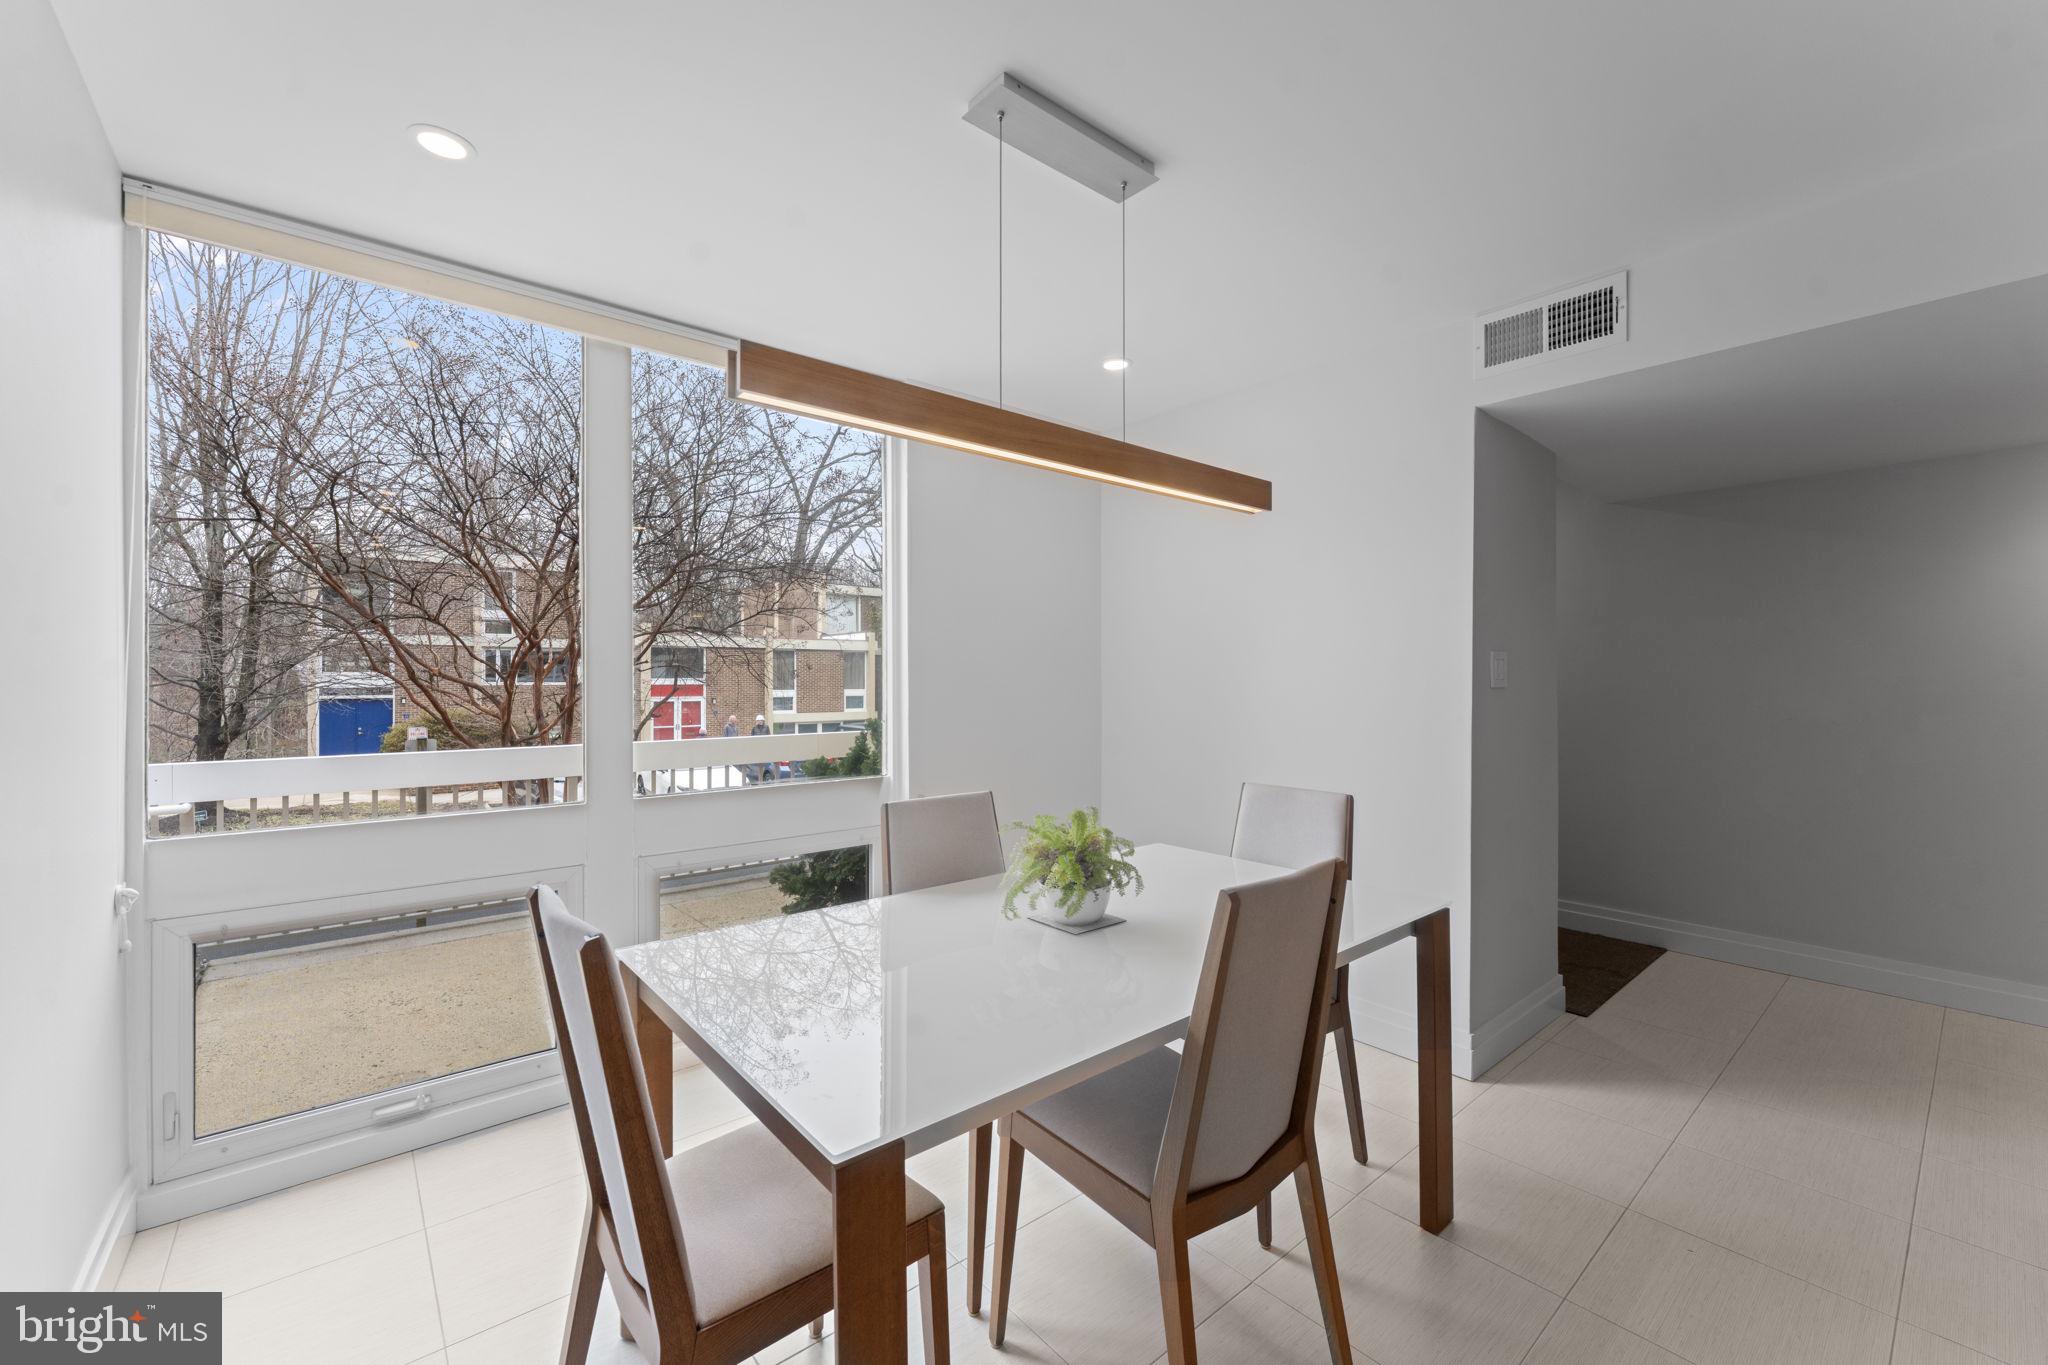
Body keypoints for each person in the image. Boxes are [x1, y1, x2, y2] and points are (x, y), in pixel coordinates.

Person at [750, 713, 774, 782]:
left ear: (763, 721)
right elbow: (751, 738)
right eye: (758, 720)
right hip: (757, 748)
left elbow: (769, 737)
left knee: (765, 763)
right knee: (758, 765)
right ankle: (759, 778)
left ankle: (764, 776)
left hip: (764, 748)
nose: (759, 721)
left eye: (760, 720)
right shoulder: (754, 729)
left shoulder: (766, 727)